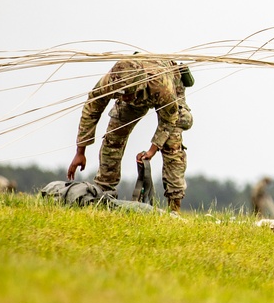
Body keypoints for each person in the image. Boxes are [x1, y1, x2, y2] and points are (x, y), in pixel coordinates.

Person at [67, 57, 192, 212]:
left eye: (127, 94)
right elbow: (92, 108)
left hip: (168, 89)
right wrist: (80, 152)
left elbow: (168, 120)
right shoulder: (111, 82)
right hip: (137, 97)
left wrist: (152, 150)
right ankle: (104, 194)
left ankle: (175, 208)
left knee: (172, 144)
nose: (124, 98)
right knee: (113, 138)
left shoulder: (162, 88)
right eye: (121, 94)